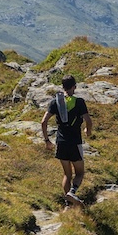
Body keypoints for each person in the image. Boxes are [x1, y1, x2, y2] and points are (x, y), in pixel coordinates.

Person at [40, 75, 93, 205]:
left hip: (61, 142)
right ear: (74, 86)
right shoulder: (79, 102)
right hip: (75, 142)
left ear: (62, 87)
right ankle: (72, 193)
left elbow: (43, 122)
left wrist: (47, 140)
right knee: (79, 173)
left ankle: (68, 204)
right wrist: (88, 131)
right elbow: (88, 121)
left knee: (67, 175)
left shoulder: (55, 102)